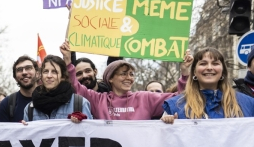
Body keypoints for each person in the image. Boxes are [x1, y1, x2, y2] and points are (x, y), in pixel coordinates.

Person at [60, 41, 193, 120]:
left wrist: (185, 72)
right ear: (110, 78)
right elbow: (76, 86)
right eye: (123, 74)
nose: (129, 78)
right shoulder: (98, 100)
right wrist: (67, 59)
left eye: (131, 74)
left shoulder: (145, 98)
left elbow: (179, 98)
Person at [162, 48, 254, 122]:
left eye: (215, 63)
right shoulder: (175, 106)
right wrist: (166, 124)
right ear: (194, 72)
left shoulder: (248, 104)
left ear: (222, 72)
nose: (209, 68)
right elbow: (164, 140)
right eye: (203, 64)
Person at [21, 55, 92, 122]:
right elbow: (26, 134)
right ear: (41, 75)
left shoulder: (80, 104)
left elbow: (89, 132)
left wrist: (83, 123)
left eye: (54, 72)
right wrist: (24, 128)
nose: (49, 76)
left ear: (63, 76)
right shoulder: (30, 109)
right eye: (46, 71)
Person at [0, 55, 39, 122]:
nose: (24, 72)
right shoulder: (6, 104)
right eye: (19, 70)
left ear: (37, 73)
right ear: (15, 78)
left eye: (28, 68)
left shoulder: (50, 100)